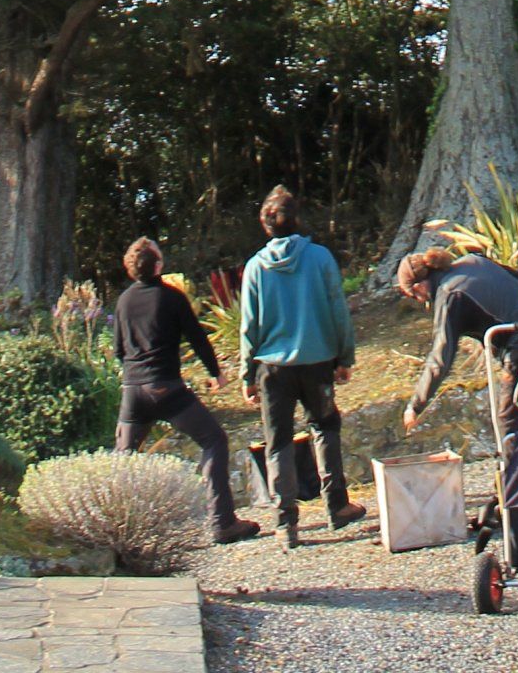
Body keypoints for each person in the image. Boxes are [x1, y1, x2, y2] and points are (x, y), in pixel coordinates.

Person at [238, 185, 364, 547]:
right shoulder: (321, 258)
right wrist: (344, 357)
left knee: (277, 441)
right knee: (325, 427)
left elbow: (249, 327)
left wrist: (248, 376)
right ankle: (336, 506)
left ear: (265, 227)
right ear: (297, 220)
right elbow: (338, 311)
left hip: (272, 369)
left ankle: (285, 524)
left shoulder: (256, 268)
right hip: (317, 362)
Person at [111, 236, 258, 544]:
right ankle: (222, 522)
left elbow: (118, 351)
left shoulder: (123, 301)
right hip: (167, 389)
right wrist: (216, 374)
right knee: (214, 440)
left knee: (122, 460)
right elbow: (197, 338)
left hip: (133, 391)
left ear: (130, 271)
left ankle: (115, 532)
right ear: (159, 266)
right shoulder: (172, 297)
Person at [397, 244, 518, 450]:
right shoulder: (474, 260)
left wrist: (415, 406)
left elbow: (440, 357)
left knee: (509, 419)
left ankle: (513, 476)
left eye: (415, 296)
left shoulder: (450, 295)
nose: (421, 300)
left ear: (417, 287)